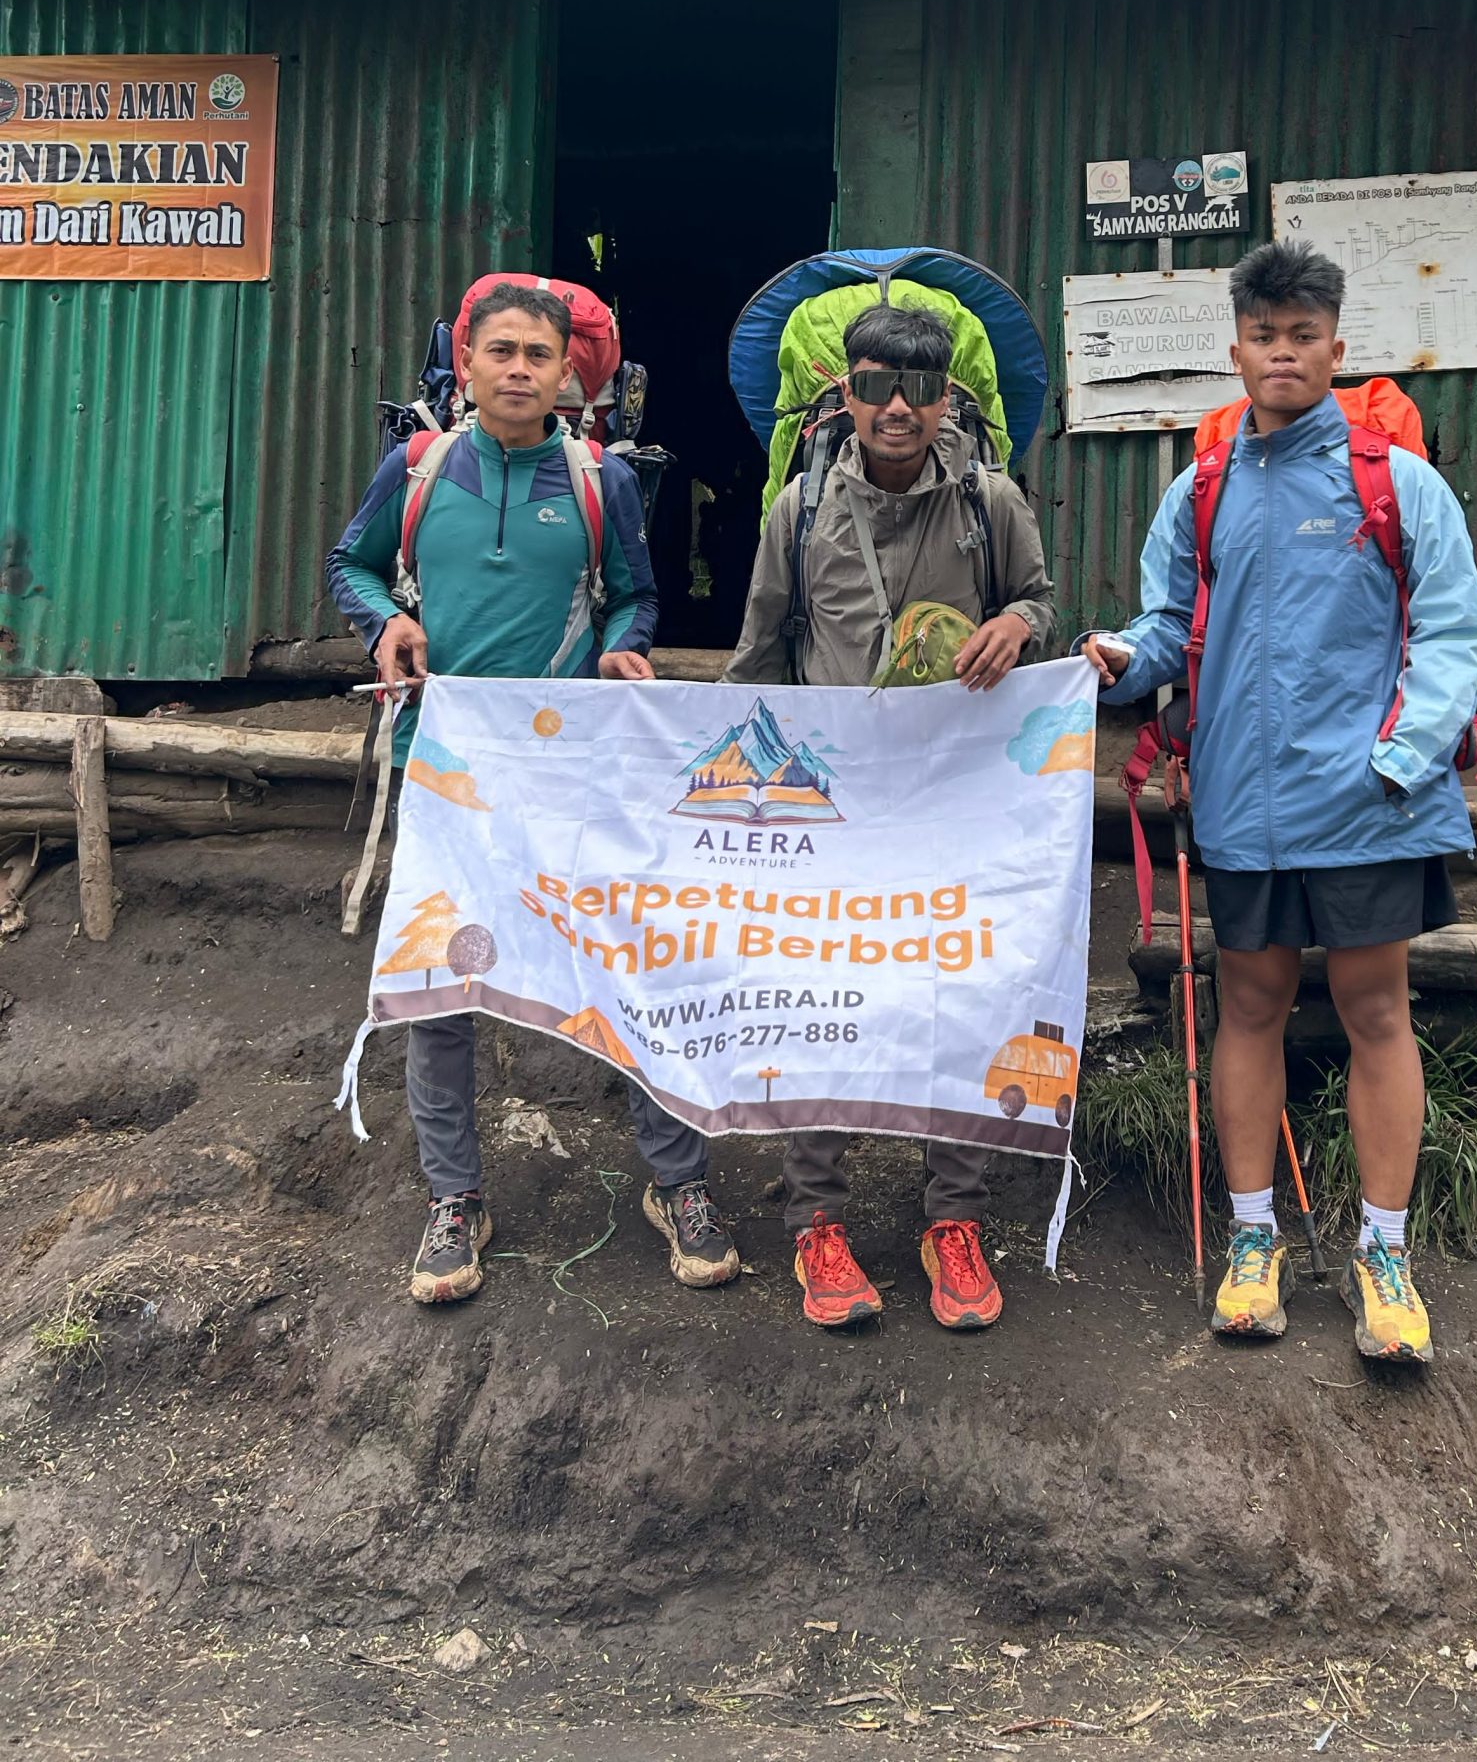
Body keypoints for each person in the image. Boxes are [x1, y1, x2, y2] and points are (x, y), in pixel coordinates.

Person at [1085, 240, 1477, 1363]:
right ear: (1237, 350)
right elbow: (1167, 625)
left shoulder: (1397, 481)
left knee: (1376, 1013)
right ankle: (1254, 1240)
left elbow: (1458, 630)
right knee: (1251, 1007)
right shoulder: (1203, 486)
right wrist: (1118, 660)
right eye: (1265, 335)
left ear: (1336, 347)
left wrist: (1401, 759)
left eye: (1303, 334)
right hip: (1245, 803)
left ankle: (1385, 1252)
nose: (1283, 351)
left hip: (1369, 800)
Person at [328, 280, 741, 1308]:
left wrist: (620, 650)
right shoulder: (418, 469)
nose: (519, 368)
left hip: (579, 773)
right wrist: (385, 625)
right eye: (500, 350)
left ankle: (678, 1185)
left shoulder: (602, 479)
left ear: (569, 374)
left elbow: (641, 594)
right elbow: (352, 563)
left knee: (630, 968)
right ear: (466, 360)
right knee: (442, 990)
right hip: (445, 770)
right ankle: (456, 1197)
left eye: (539, 354)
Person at [726, 302, 1056, 1334]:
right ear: (845, 394)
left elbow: (1042, 603)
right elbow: (758, 656)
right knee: (824, 998)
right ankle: (816, 1217)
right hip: (830, 813)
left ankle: (952, 1216)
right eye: (875, 385)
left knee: (954, 994)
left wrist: (1016, 620)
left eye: (918, 387)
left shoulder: (989, 505)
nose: (897, 407)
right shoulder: (798, 512)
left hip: (957, 800)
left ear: (948, 397)